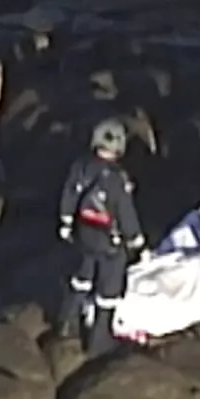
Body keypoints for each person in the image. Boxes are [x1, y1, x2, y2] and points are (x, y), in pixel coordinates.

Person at [56, 117, 146, 356]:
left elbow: (68, 195)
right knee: (109, 290)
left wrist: (65, 223)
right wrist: (135, 239)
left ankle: (65, 323)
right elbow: (125, 212)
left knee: (81, 279)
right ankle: (99, 341)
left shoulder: (81, 166)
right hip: (109, 241)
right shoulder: (118, 179)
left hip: (83, 233)